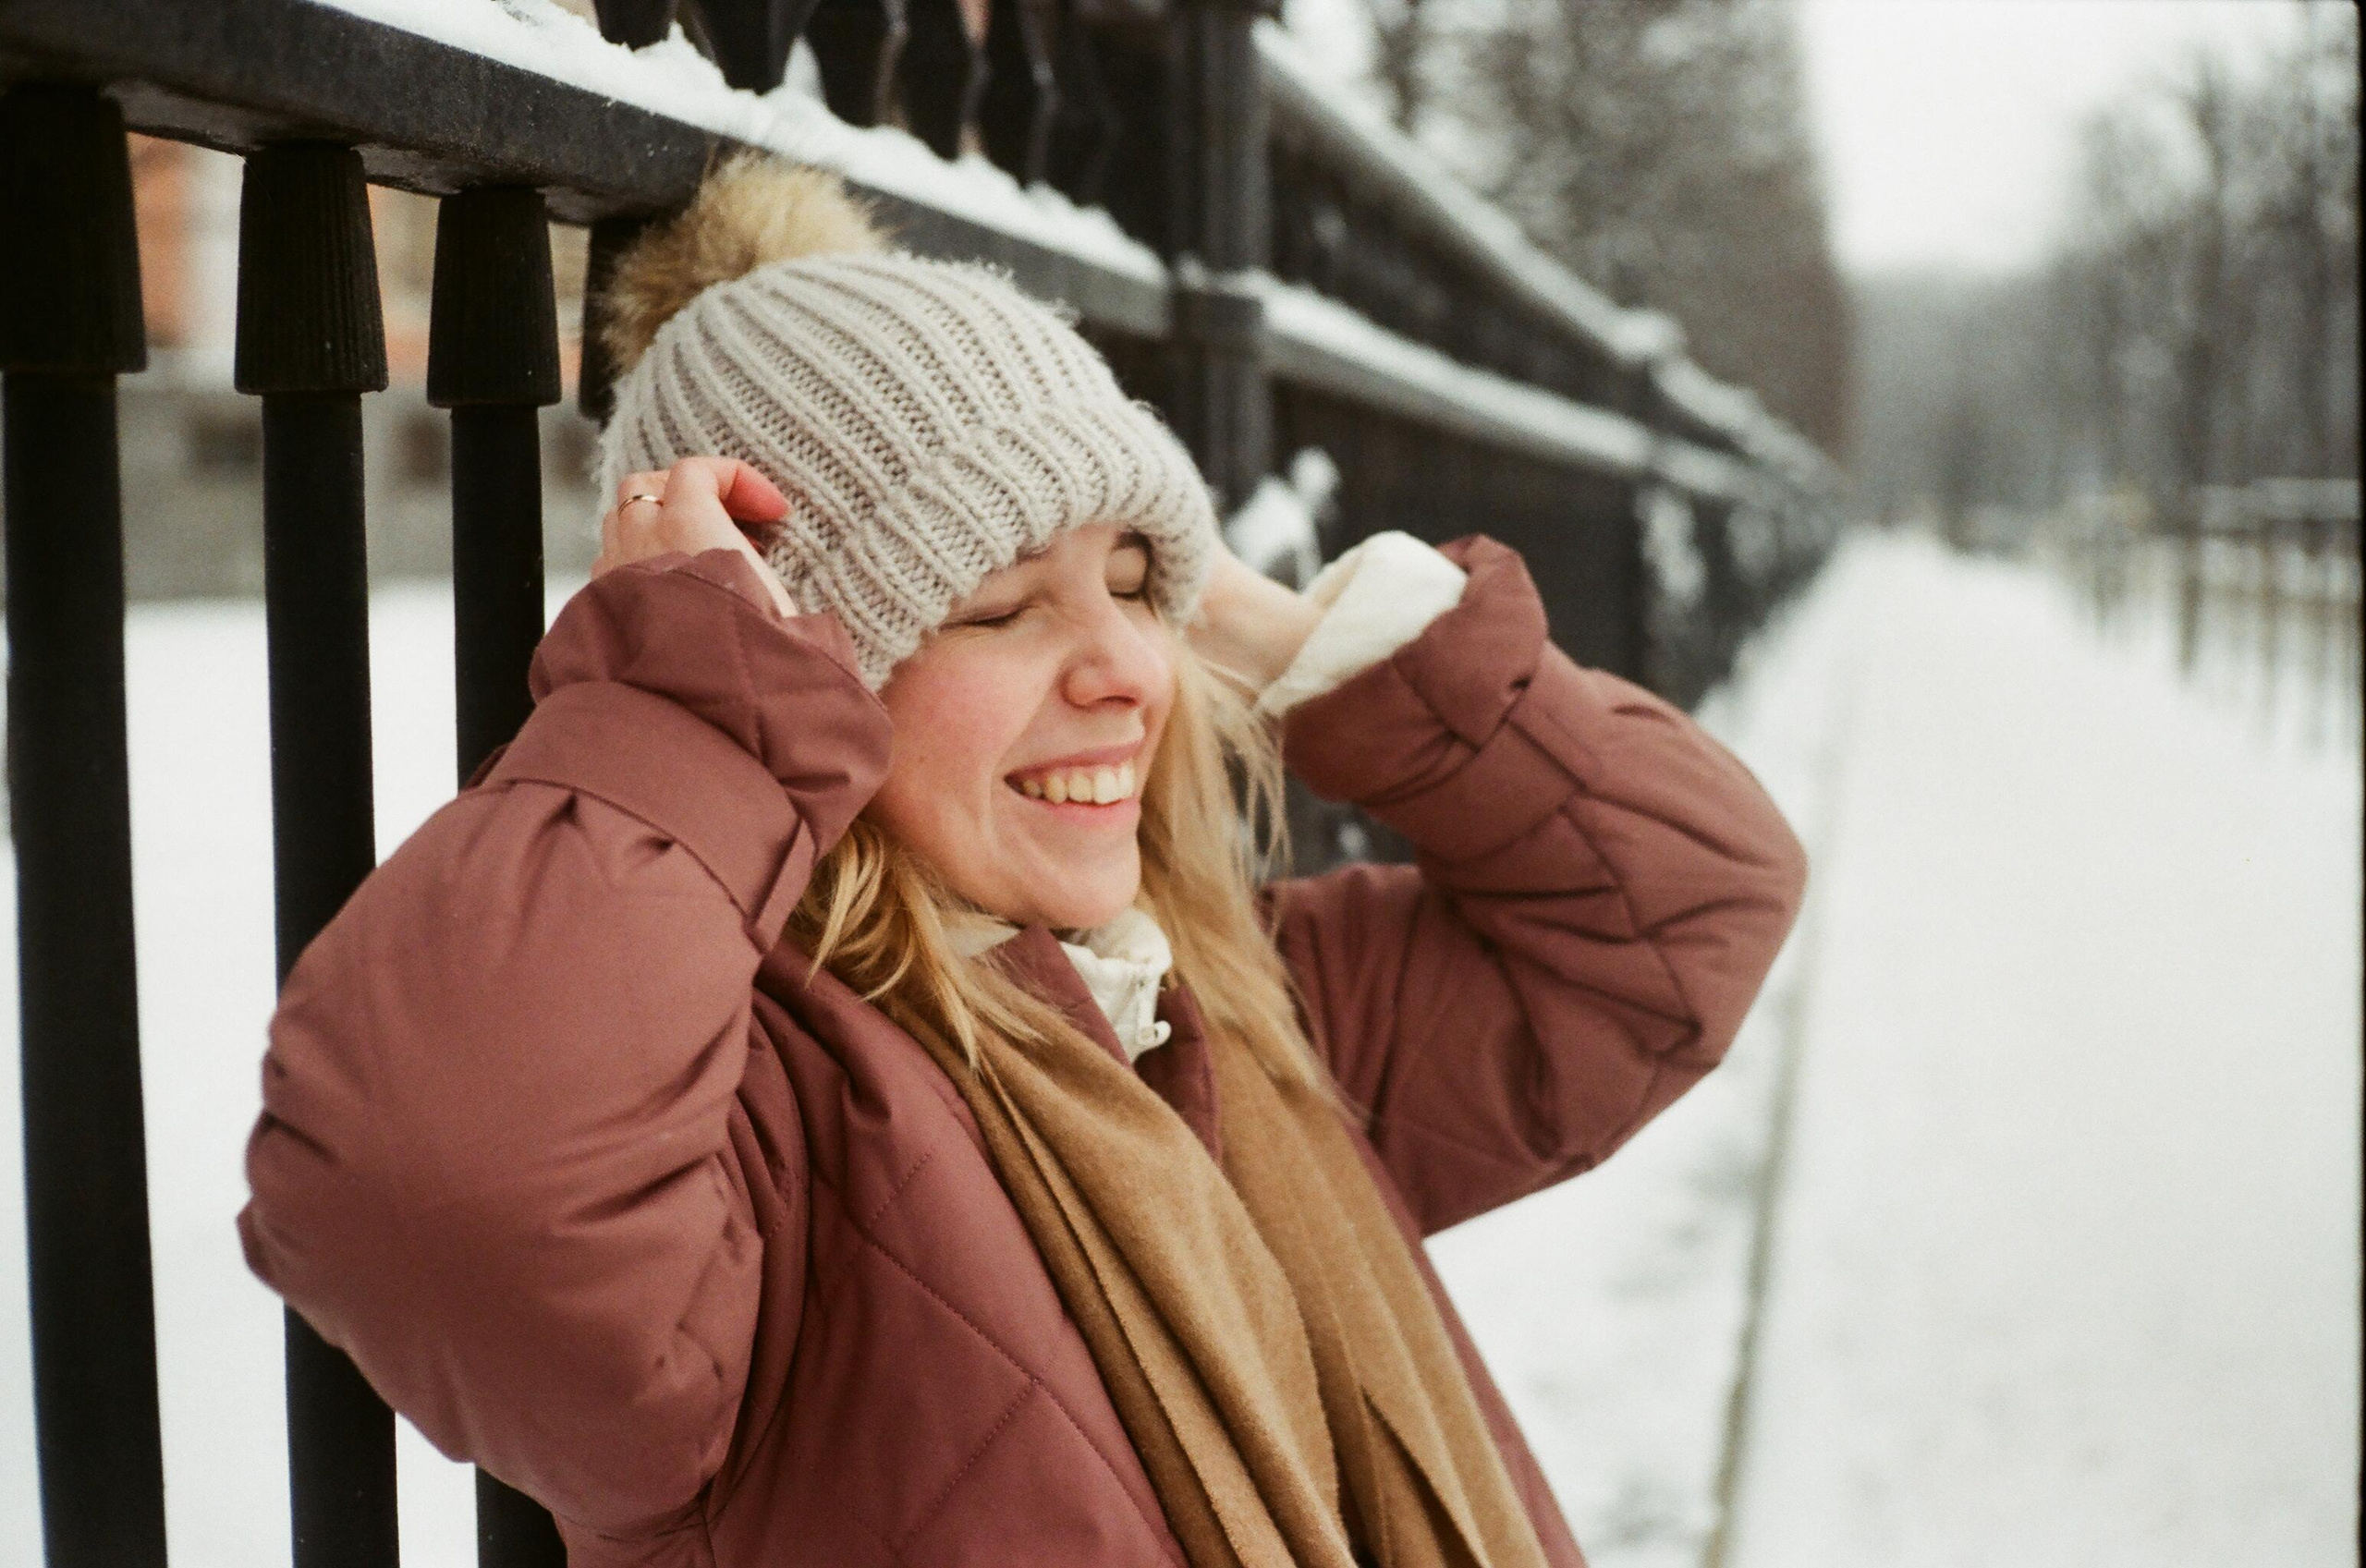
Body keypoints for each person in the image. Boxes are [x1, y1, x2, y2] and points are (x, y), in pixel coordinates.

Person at [239, 155, 1807, 1568]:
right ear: (794, 668)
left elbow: (1684, 916)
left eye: (1140, 583)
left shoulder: (1232, 1006)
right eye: (997, 602)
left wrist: (1283, 629)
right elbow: (442, 1195)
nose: (1129, 665)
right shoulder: (768, 1138)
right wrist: (687, 711)